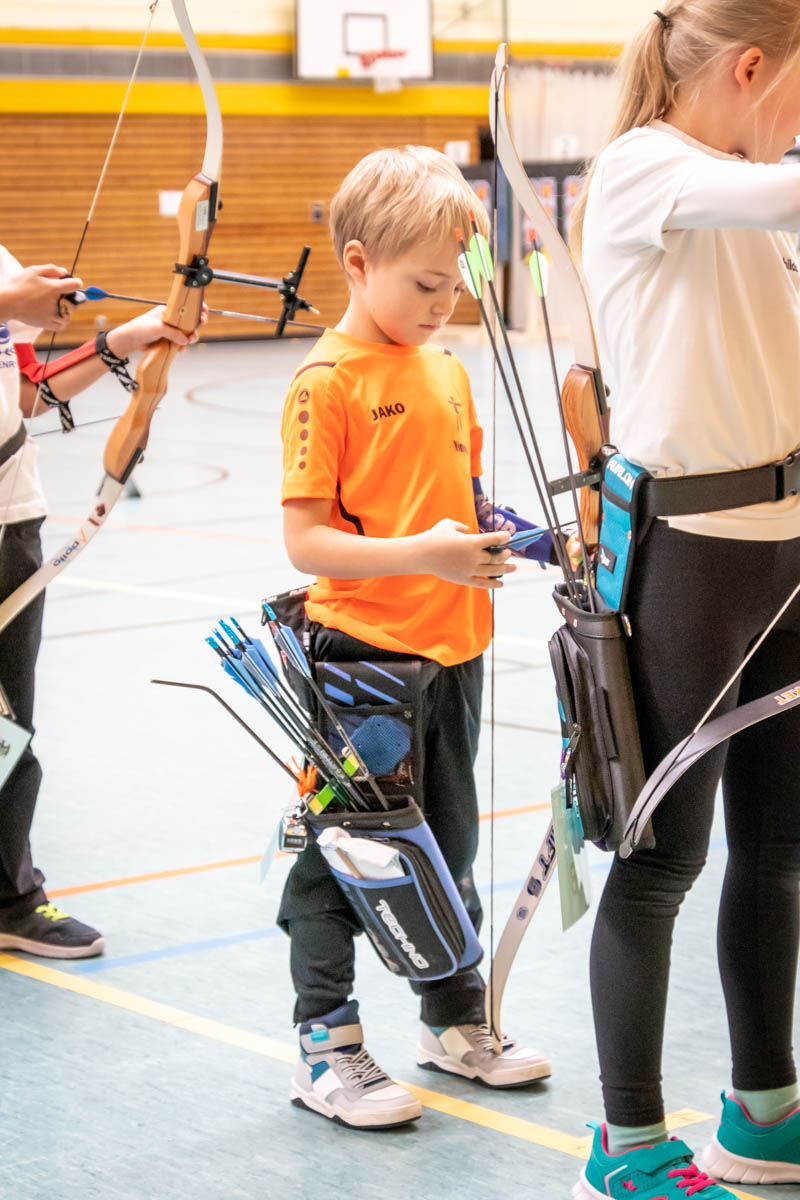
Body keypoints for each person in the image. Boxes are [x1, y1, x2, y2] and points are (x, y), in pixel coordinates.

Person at [567, 4, 800, 1196]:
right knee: (659, 861)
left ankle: (763, 1113)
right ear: (750, 68)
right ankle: (624, 1144)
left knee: (779, 854)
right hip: (688, 562)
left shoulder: (753, 201)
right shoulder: (641, 168)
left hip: (785, 552)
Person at [277, 146, 552, 1130]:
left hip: (453, 650)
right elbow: (307, 541)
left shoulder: (444, 369)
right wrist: (426, 555)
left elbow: (462, 503)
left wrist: (530, 538)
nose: (443, 305)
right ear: (358, 263)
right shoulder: (326, 382)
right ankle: (327, 1045)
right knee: (347, 854)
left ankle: (453, 1020)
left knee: (446, 844)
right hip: (360, 661)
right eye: (425, 284)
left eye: (456, 286)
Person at [0, 248, 202, 959]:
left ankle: (9, 899)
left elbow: (28, 394)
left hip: (10, 518)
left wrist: (131, 338)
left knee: (9, 728)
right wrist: (7, 305)